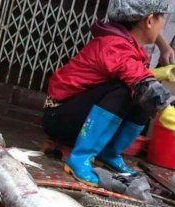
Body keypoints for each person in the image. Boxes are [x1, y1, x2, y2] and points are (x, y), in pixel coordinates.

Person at [42, 0, 175, 186]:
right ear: (150, 21)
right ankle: (79, 158)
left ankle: (109, 153)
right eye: (162, 19)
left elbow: (136, 74)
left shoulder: (126, 45)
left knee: (142, 93)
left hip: (76, 116)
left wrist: (163, 74)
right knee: (129, 90)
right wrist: (167, 111)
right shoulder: (114, 45)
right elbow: (138, 78)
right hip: (59, 119)